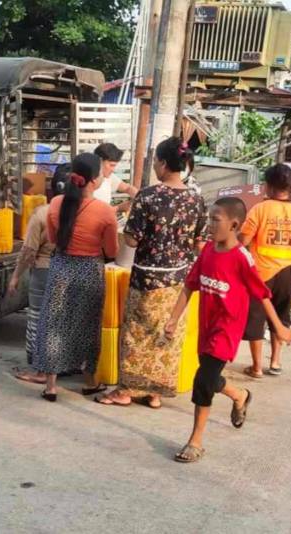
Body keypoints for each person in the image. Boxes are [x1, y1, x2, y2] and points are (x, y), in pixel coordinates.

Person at [165, 197, 291, 463]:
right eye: (209, 219)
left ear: (234, 225)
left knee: (202, 381)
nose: (209, 225)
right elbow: (189, 285)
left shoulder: (241, 258)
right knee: (210, 378)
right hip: (206, 327)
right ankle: (240, 395)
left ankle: (195, 442)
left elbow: (261, 293)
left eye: (215, 220)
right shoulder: (208, 252)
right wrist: (174, 318)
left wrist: (279, 326)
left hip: (227, 330)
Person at [96, 137, 206, 408]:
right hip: (178, 281)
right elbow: (199, 243)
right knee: (165, 335)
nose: (155, 165)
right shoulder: (196, 198)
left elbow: (131, 240)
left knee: (136, 334)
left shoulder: (148, 196)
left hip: (147, 279)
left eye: (156, 161)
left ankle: (125, 391)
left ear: (164, 163)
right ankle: (155, 393)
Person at [33, 153, 119, 402]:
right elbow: (112, 251)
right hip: (90, 271)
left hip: (60, 267)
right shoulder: (105, 212)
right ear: (93, 180)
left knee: (54, 324)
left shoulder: (56, 203)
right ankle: (90, 382)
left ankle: (51, 386)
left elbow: (53, 239)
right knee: (87, 326)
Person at [240, 164, 291, 378]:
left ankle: (257, 367)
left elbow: (244, 240)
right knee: (281, 313)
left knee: (256, 317)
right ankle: (275, 362)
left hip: (262, 272)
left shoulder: (260, 209)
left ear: (268, 185)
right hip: (290, 269)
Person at [8, 170, 63, 385]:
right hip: (70, 271)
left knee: (39, 320)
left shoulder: (43, 213)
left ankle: (40, 370)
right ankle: (59, 366)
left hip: (43, 270)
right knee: (59, 322)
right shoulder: (83, 212)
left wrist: (15, 276)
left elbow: (29, 250)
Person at [93, 143, 138, 214]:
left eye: (114, 166)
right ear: (100, 161)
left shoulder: (109, 177)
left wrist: (139, 197)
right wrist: (118, 208)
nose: (113, 169)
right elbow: (94, 212)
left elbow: (127, 188)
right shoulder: (88, 182)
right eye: (111, 165)